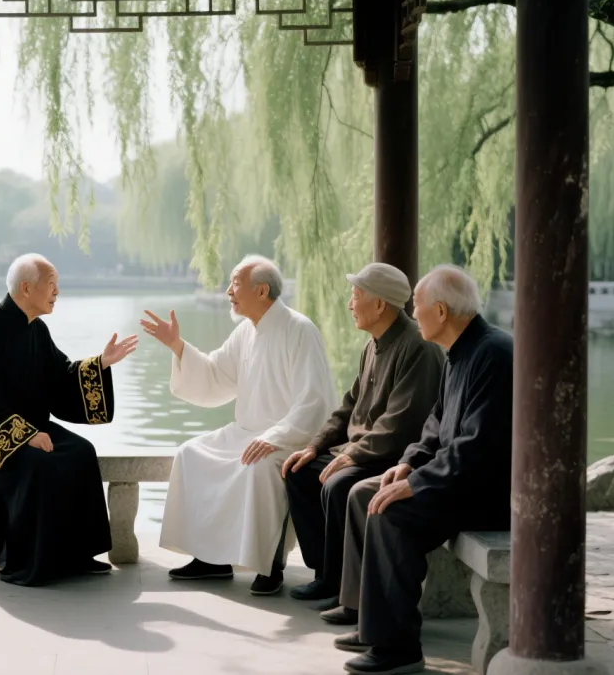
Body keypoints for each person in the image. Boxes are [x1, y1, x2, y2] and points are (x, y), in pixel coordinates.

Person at [334, 265, 513, 675]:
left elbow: (478, 447)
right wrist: (407, 464)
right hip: (456, 480)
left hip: (484, 492)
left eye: (416, 306)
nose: (412, 315)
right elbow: (435, 425)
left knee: (391, 513)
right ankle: (370, 620)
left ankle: (398, 648)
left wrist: (416, 484)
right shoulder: (458, 353)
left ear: (442, 311)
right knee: (364, 494)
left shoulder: (493, 354)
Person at [141, 255, 338, 596]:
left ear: (261, 291)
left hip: (287, 438)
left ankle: (269, 566)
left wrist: (276, 436)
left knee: (259, 467)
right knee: (190, 454)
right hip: (245, 431)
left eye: (235, 284)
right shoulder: (246, 331)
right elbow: (215, 374)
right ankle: (209, 558)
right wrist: (178, 346)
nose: (228, 291)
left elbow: (315, 400)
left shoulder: (300, 330)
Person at [0, 253, 138, 586]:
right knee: (38, 463)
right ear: (26, 288)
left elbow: (59, 376)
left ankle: (77, 554)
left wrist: (101, 363)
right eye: (51, 285)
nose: (57, 292)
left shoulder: (36, 329)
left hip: (29, 425)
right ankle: (31, 560)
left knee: (80, 452)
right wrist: (25, 436)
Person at [281, 263, 443, 618]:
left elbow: (400, 423)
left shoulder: (417, 347)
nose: (350, 304)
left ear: (380, 304)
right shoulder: (372, 345)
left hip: (392, 457)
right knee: (299, 471)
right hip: (362, 451)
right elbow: (349, 406)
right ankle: (326, 574)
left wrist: (353, 455)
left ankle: (347, 588)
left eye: (356, 296)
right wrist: (315, 445)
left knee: (338, 485)